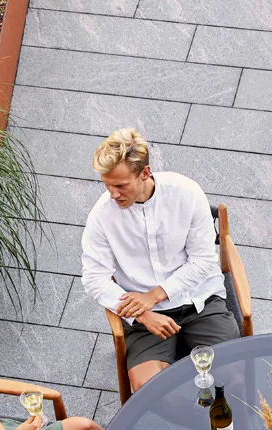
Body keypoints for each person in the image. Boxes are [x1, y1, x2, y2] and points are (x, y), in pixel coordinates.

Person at [81, 127, 239, 393]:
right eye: (107, 185)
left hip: (199, 300)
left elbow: (203, 262)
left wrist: (154, 295)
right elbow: (94, 278)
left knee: (235, 379)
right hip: (144, 316)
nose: (113, 194)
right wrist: (143, 313)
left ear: (144, 173)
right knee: (149, 392)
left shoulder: (186, 193)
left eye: (120, 185)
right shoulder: (101, 216)